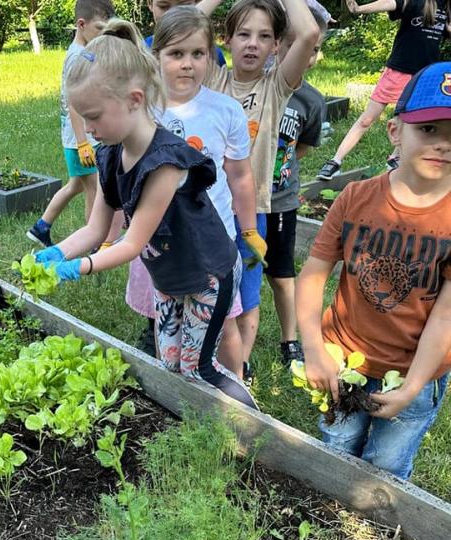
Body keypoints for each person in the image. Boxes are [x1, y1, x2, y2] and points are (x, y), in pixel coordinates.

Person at [28, 18, 256, 408]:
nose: (88, 127)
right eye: (82, 117)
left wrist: (79, 268)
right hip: (168, 274)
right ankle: (195, 419)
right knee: (169, 363)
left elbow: (132, 243)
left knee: (199, 367)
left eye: (94, 116)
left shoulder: (164, 163)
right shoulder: (111, 153)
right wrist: (58, 252)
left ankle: (255, 429)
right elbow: (96, 227)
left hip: (208, 274)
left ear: (134, 100)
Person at [295, 62, 451, 479]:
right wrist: (312, 348)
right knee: (337, 449)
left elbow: (446, 314)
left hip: (413, 373)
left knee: (385, 467)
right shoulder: (355, 197)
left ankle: (374, 532)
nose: (443, 145)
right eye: (429, 129)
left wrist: (415, 385)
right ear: (396, 131)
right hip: (342, 359)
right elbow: (314, 272)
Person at [126, 6, 258, 379]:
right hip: (158, 240)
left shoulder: (226, 110)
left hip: (209, 243)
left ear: (211, 58)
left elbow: (241, 176)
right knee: (165, 316)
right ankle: (176, 389)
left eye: (198, 54)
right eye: (176, 54)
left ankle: (236, 388)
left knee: (225, 324)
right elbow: (126, 178)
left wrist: (248, 232)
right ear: (156, 58)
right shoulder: (142, 111)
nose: (187, 64)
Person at [199, 0, 321, 384]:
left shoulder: (277, 86)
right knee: (206, 289)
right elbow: (185, 23)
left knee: (246, 295)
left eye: (265, 36)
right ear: (226, 39)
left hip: (251, 217)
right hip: (206, 211)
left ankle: (240, 367)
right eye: (244, 34)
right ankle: (208, 352)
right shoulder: (213, 79)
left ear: (276, 46)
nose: (253, 44)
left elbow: (309, 33)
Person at [317, 0, 450, 179]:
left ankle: (395, 158)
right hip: (399, 70)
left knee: (410, 120)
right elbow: (390, 2)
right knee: (367, 119)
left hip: (424, 77)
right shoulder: (416, 2)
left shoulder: (446, 8)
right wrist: (359, 9)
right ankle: (335, 161)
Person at [27, 0, 121, 249]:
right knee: (94, 190)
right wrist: (82, 144)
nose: (104, 35)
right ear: (82, 24)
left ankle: (41, 228)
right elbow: (73, 104)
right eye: (100, 29)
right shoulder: (77, 56)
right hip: (80, 141)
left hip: (77, 140)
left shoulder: (84, 52)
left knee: (76, 185)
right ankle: (94, 243)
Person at [265, 7, 328, 366]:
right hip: (241, 199)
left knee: (281, 272)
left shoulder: (312, 101)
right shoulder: (255, 84)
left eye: (315, 48)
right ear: (277, 44)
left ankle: (290, 340)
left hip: (281, 200)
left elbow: (301, 146)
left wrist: (281, 172)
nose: (307, 53)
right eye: (295, 44)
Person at [145, 0, 227, 65]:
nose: (173, 15)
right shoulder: (139, 53)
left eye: (184, 6)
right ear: (150, 3)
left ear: (197, 2)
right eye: (164, 6)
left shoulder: (214, 56)